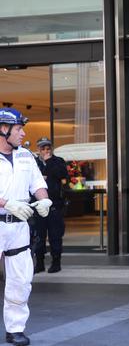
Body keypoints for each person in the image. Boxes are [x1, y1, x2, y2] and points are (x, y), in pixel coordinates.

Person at [0, 108, 52, 346]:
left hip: (19, 227)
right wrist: (6, 203)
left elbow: (37, 183)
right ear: (4, 129)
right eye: (19, 129)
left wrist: (44, 199)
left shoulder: (25, 156)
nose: (22, 134)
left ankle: (15, 329)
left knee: (20, 281)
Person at [34, 137, 68, 274]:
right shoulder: (33, 162)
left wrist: (48, 162)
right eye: (43, 148)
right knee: (39, 237)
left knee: (55, 236)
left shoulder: (58, 161)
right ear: (38, 150)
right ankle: (40, 263)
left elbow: (63, 175)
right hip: (38, 206)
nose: (46, 151)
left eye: (48, 148)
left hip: (54, 206)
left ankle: (56, 262)